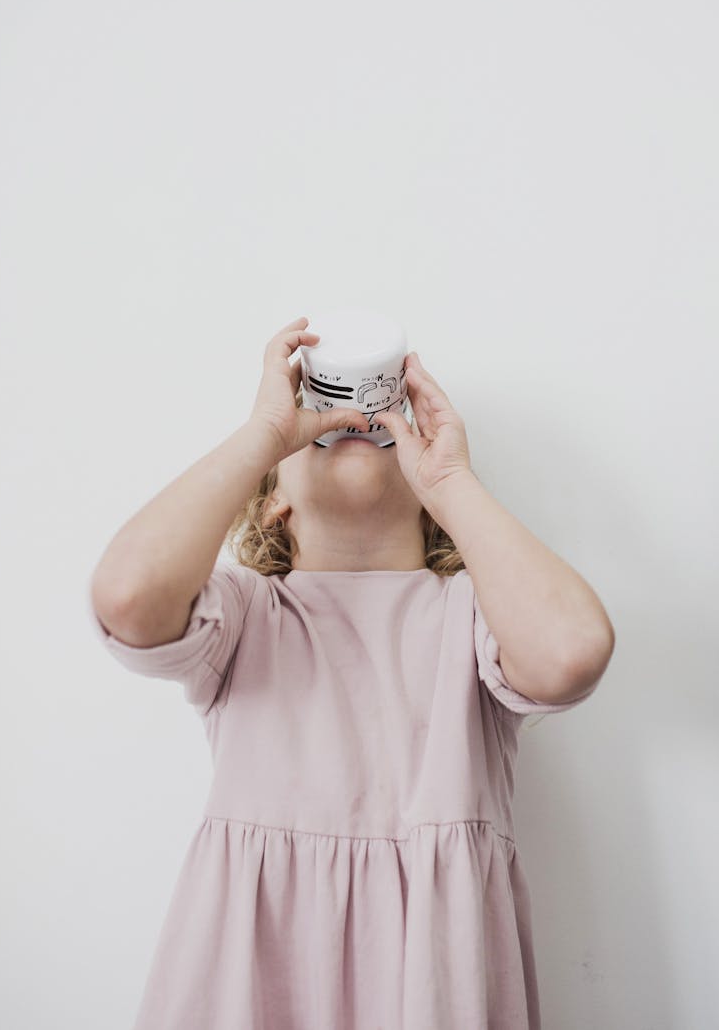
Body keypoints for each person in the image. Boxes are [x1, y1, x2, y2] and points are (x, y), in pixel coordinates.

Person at [88, 315, 615, 1029]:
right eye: (313, 436)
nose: (356, 426)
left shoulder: (472, 618)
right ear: (272, 502)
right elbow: (127, 596)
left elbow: (572, 652)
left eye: (380, 420)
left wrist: (451, 481)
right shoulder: (248, 616)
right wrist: (263, 436)